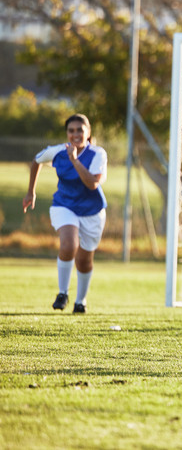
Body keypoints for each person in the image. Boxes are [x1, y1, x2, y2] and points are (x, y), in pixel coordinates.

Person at [22, 113, 108, 314]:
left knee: (85, 260)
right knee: (69, 244)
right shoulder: (57, 151)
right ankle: (62, 293)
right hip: (64, 205)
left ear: (88, 133)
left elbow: (92, 183)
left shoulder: (98, 154)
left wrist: (75, 160)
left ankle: (80, 301)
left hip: (92, 211)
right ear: (67, 133)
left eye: (80, 130)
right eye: (71, 130)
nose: (76, 134)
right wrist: (30, 192)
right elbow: (36, 161)